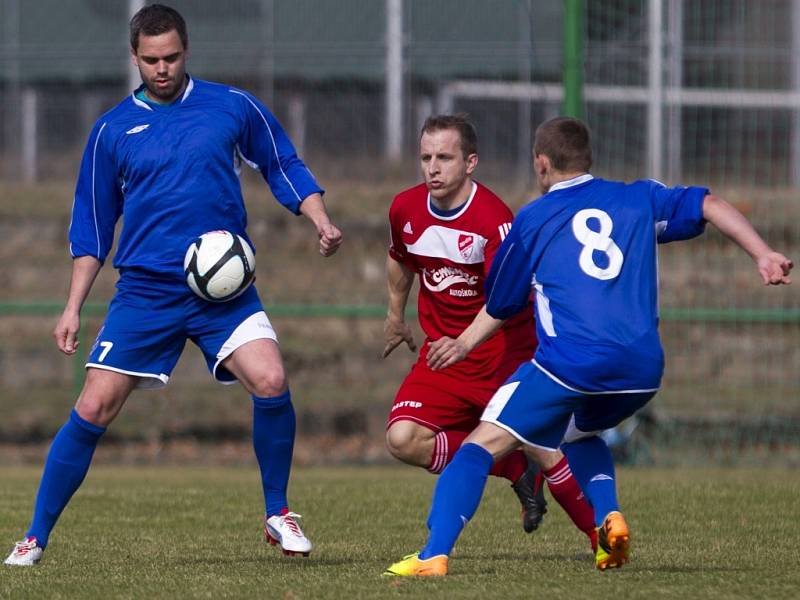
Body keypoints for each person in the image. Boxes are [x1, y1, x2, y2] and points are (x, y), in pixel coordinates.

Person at [4, 4, 342, 567]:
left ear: (187, 51)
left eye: (173, 57)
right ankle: (35, 536)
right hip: (145, 292)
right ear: (134, 57)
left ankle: (278, 513)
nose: (163, 68)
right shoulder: (111, 130)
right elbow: (92, 224)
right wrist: (71, 307)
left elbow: (281, 161)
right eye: (151, 60)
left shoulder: (232, 107)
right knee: (93, 406)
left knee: (272, 376)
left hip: (223, 291)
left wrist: (320, 219)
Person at [384, 116, 793, 576]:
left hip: (568, 365)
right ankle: (607, 520)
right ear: (588, 160)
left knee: (479, 447)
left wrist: (461, 346)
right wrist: (762, 253)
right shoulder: (638, 197)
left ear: (541, 164)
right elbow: (709, 203)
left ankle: (432, 555)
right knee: (577, 433)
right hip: (641, 372)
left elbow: (501, 305)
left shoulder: (532, 219)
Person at [383, 114, 596, 546]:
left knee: (544, 448)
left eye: (444, 157)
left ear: (470, 162)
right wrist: (394, 315)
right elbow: (401, 257)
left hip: (503, 355)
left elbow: (505, 300)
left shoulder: (493, 219)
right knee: (402, 440)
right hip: (444, 358)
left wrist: (464, 344)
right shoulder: (404, 208)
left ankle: (601, 534)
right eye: (426, 157)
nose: (432, 168)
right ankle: (515, 469)